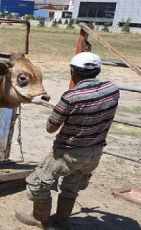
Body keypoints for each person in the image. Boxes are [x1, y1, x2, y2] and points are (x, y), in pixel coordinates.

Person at [15, 52, 120, 229]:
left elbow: (51, 127)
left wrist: (58, 109)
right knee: (71, 186)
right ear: (98, 70)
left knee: (38, 183)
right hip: (95, 152)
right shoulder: (112, 89)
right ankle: (61, 221)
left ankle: (41, 220)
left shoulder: (71, 97)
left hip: (69, 153)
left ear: (72, 71)